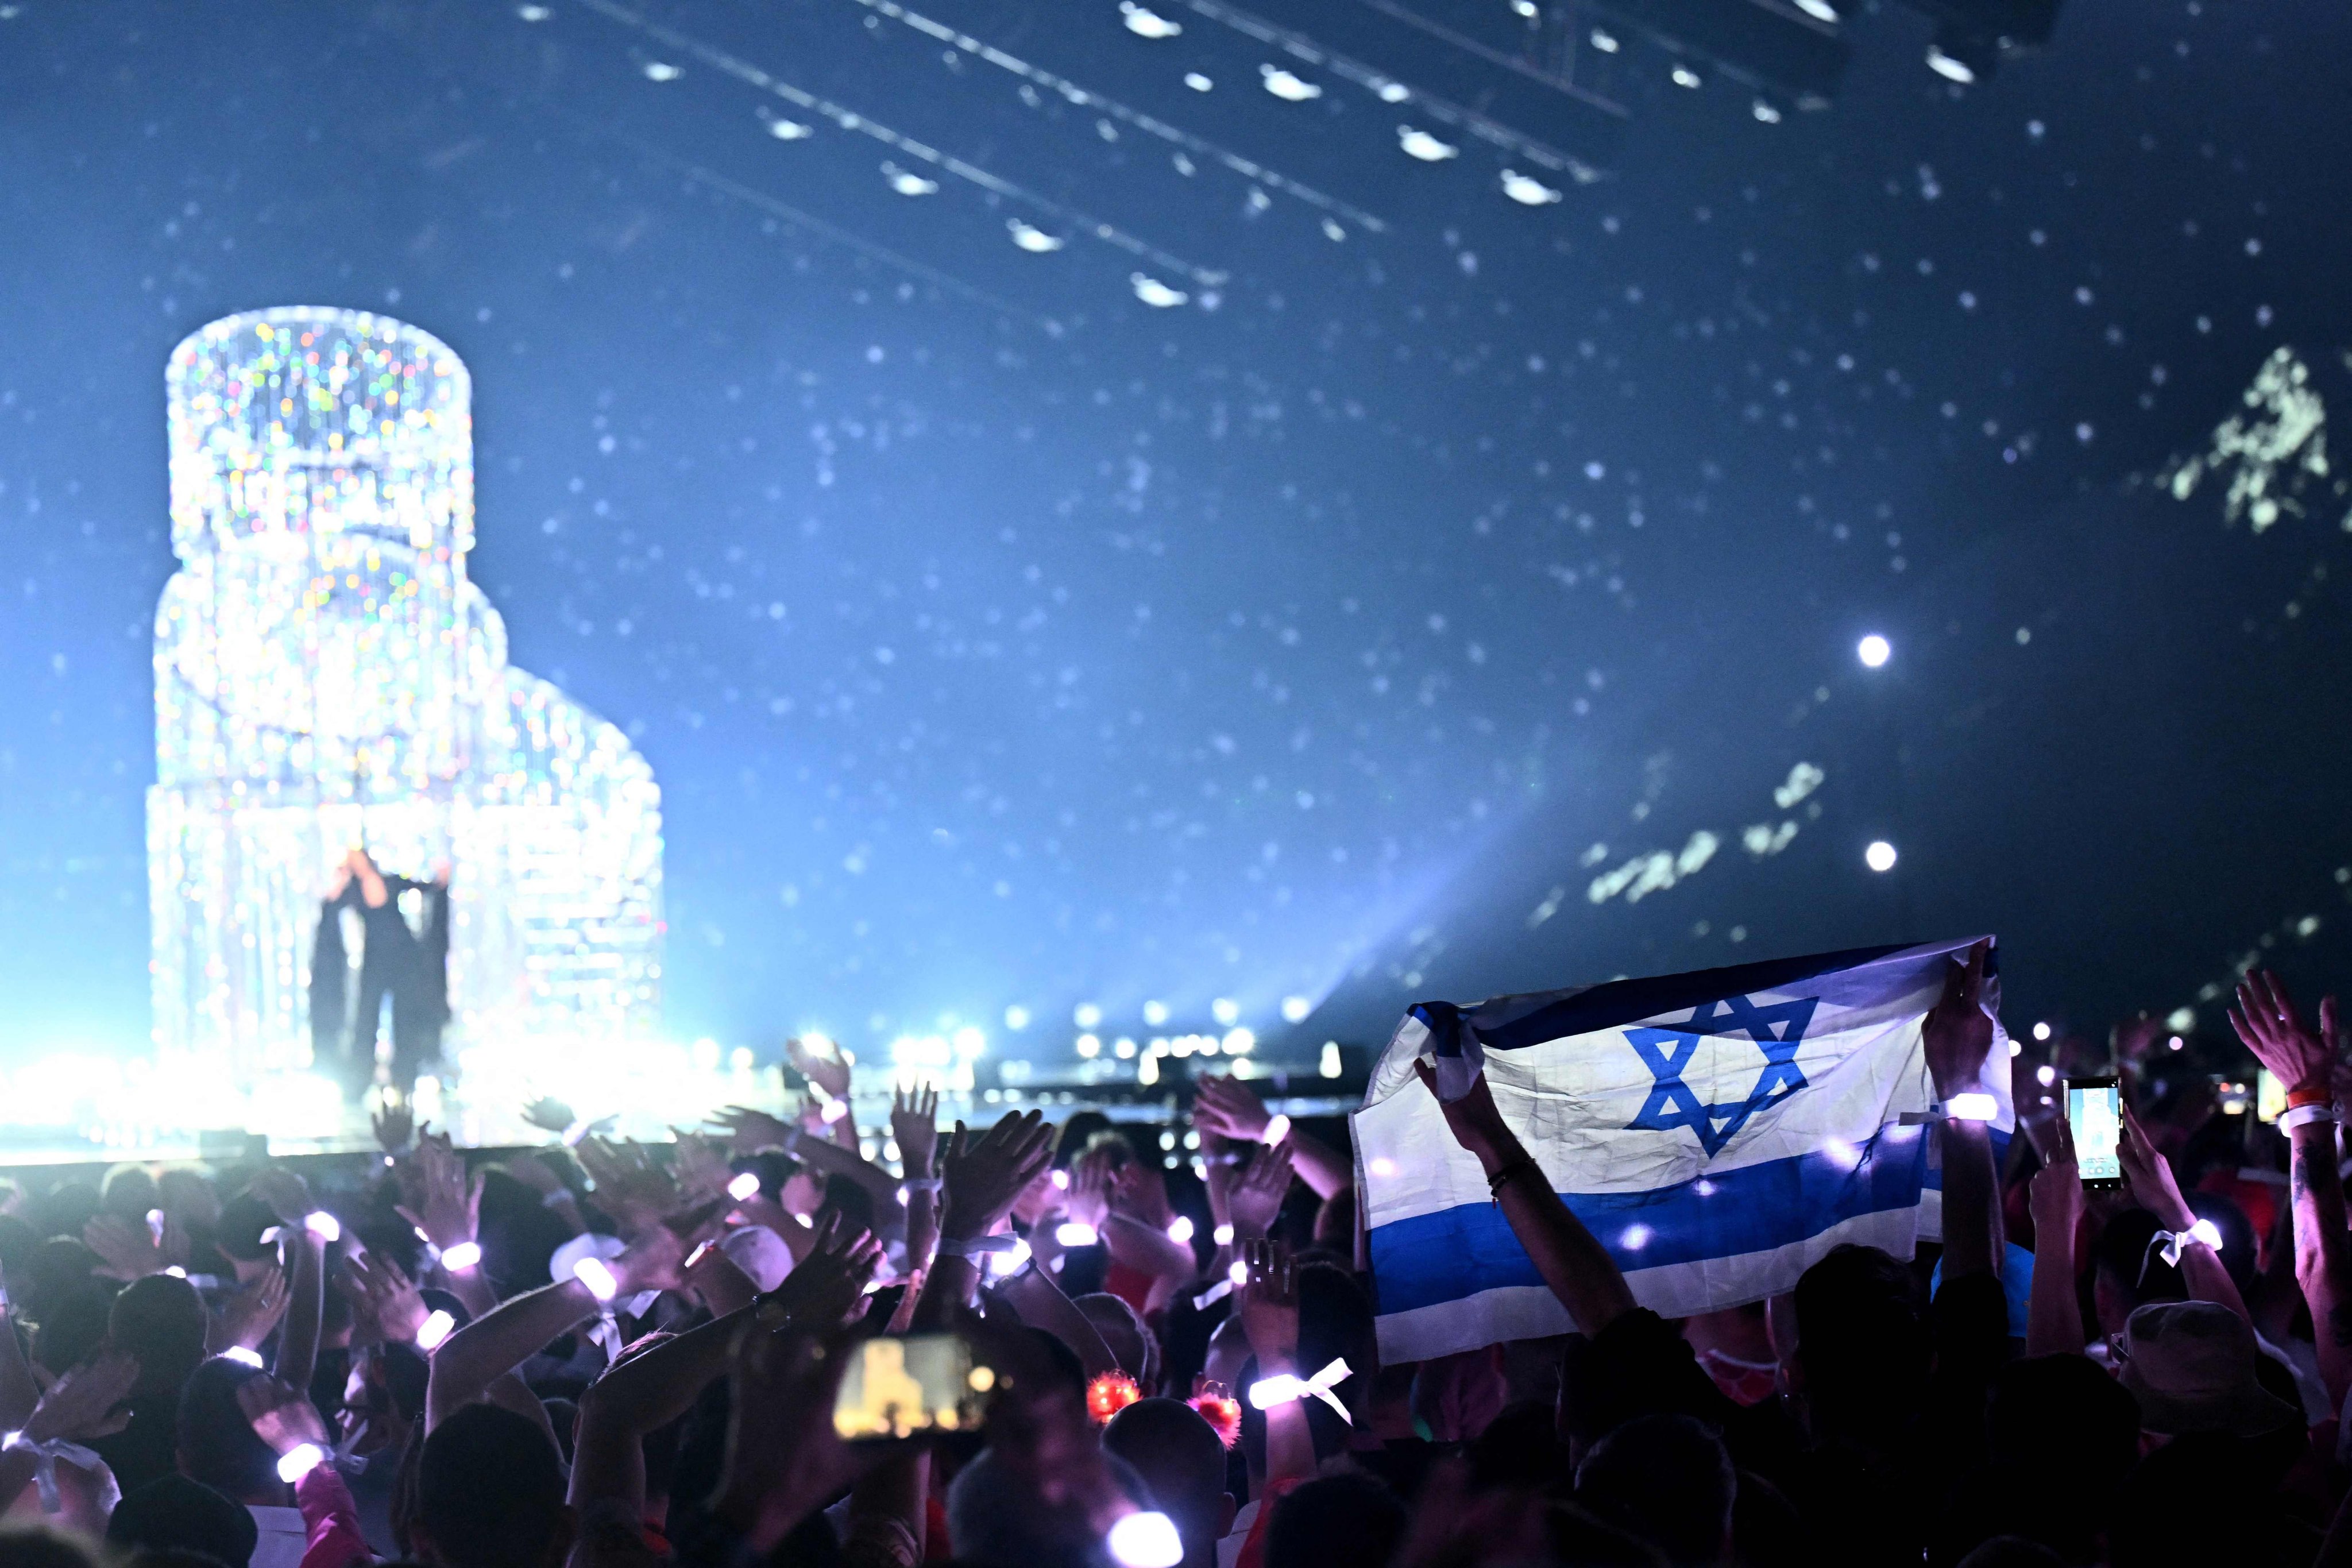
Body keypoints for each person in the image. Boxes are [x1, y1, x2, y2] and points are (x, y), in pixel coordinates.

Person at [309, 848, 449, 1102]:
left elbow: (423, 888)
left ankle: (404, 1079)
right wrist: (340, 880)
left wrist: (440, 880)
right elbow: (330, 904)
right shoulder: (353, 890)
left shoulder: (389, 881)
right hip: (374, 964)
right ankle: (358, 1081)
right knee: (366, 1021)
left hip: (405, 959)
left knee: (405, 1021)